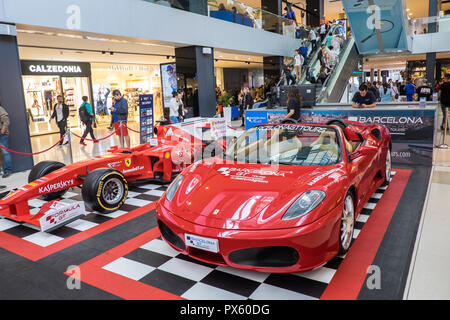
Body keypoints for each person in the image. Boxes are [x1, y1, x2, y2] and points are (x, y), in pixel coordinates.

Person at [0, 97, 12, 178]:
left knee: (5, 152)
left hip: (2, 135)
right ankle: (1, 171)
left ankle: (8, 171)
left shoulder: (0, 109)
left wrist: (3, 130)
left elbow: (6, 120)